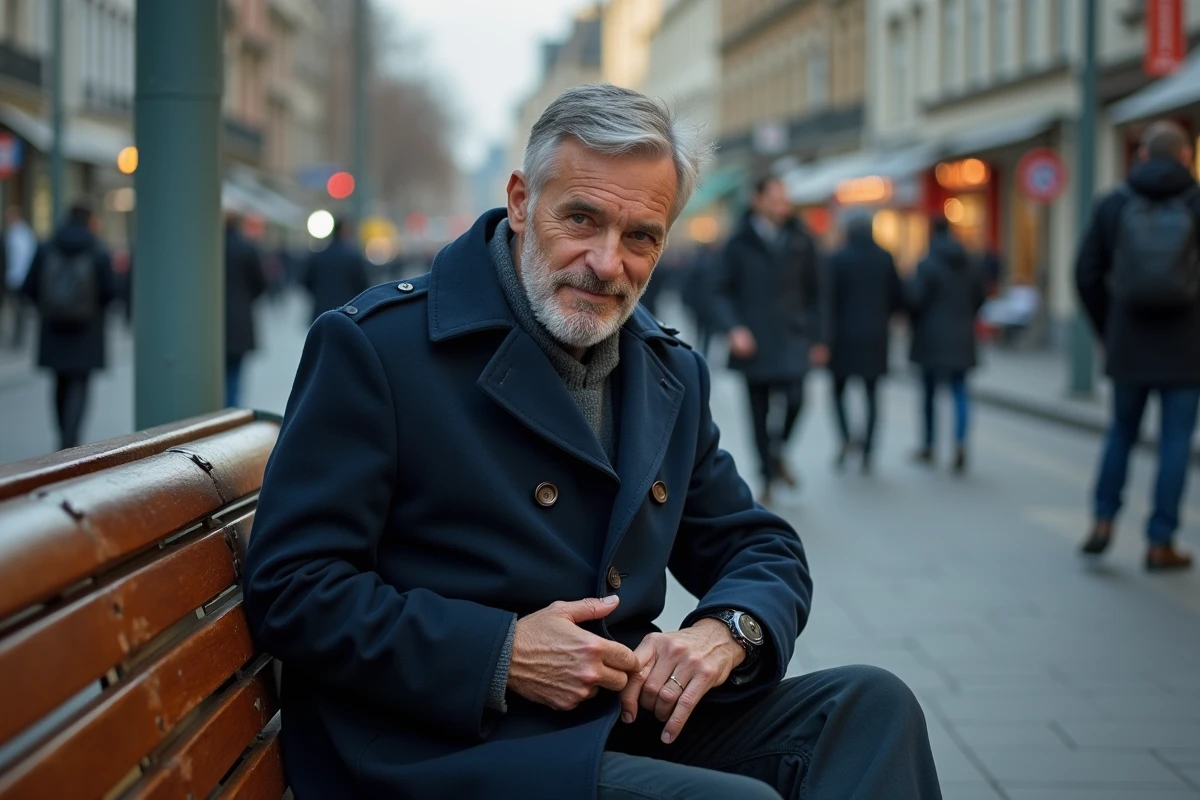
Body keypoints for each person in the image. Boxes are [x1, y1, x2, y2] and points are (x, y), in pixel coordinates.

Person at [242, 85, 940, 800]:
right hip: (440, 743)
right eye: (582, 219)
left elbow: (758, 544)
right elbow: (291, 586)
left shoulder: (668, 371)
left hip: (612, 718)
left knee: (872, 708)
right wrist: (502, 653)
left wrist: (728, 630)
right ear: (521, 202)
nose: (608, 263)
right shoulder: (380, 347)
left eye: (641, 237)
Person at [1075, 120, 1200, 571]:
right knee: (1175, 442)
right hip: (1187, 347)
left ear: (1142, 155)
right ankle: (1160, 540)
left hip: (1128, 342)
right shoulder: (1196, 202)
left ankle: (1103, 521)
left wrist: (1106, 329)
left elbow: (1086, 273)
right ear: (1186, 156)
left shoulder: (1114, 203)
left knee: (1121, 433)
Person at [711, 175, 830, 503]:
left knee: (797, 400)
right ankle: (766, 475)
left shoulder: (802, 239)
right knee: (758, 414)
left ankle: (776, 453)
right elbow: (719, 291)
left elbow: (817, 293)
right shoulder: (738, 243)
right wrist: (733, 328)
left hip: (793, 337)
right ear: (757, 200)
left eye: (785, 200)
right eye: (776, 200)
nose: (783, 206)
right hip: (753, 342)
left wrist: (820, 338)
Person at [20, 204, 116, 450]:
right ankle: (70, 439)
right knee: (80, 383)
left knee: (59, 381)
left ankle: (63, 436)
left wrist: (47, 308)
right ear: (89, 220)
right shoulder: (97, 250)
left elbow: (28, 287)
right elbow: (111, 290)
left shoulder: (47, 248)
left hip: (54, 329)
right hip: (87, 331)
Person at [909, 217, 987, 474]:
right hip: (962, 336)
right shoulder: (970, 263)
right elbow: (980, 298)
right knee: (960, 391)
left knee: (929, 394)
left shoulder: (927, 263)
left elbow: (916, 299)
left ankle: (929, 445)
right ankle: (960, 442)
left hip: (931, 337)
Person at [828, 211, 904, 473]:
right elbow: (897, 296)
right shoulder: (884, 257)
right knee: (872, 394)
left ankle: (846, 437)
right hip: (876, 336)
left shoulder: (837, 258)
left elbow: (828, 300)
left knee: (838, 391)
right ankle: (869, 449)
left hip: (842, 336)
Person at [223, 214, 266, 408]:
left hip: (207, 323)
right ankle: (230, 412)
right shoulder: (246, 248)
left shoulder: (204, 248)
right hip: (239, 320)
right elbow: (260, 284)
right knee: (234, 374)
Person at [302, 217, 370, 323]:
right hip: (346, 313)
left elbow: (306, 282)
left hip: (321, 312)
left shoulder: (318, 256)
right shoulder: (353, 257)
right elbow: (362, 285)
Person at [4, 206, 36, 348]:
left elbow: (24, 258)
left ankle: (18, 337)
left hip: (19, 277)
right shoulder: (11, 234)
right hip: (13, 277)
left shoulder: (22, 234)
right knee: (15, 308)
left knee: (19, 308)